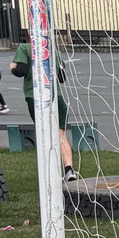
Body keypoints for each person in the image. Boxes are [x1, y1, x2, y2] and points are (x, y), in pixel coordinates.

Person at [9, 41, 78, 180]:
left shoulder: (25, 48)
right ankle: (69, 169)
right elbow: (62, 77)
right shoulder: (52, 48)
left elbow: (21, 71)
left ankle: (49, 172)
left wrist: (12, 68)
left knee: (44, 134)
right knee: (61, 135)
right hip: (56, 97)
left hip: (36, 97)